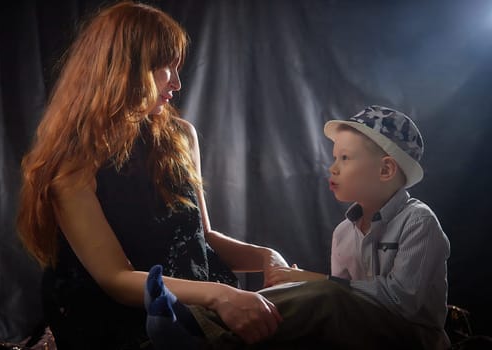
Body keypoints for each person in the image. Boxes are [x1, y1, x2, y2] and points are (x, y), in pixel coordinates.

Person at [16, 2, 290, 349]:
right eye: (165, 69)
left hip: (200, 303)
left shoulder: (180, 136)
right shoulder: (72, 165)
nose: (176, 82)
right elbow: (116, 279)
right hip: (119, 319)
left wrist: (265, 257)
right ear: (126, 70)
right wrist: (218, 296)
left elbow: (200, 238)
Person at [266, 105, 451, 349]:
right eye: (334, 158)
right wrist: (304, 287)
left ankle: (220, 325)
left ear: (385, 169)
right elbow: (343, 306)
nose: (333, 168)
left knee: (323, 297)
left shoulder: (418, 221)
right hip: (359, 335)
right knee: (308, 304)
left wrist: (315, 281)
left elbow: (401, 301)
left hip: (413, 339)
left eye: (345, 158)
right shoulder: (343, 232)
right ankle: (236, 315)